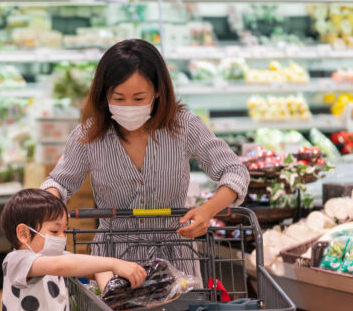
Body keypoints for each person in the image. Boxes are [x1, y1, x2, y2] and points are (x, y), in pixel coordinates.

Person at [40, 38, 250, 288]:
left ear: (158, 92)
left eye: (139, 99)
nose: (128, 106)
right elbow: (59, 181)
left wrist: (208, 211)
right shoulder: (89, 135)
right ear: (104, 94)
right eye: (118, 98)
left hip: (176, 261)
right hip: (113, 262)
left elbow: (234, 170)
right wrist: (48, 205)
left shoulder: (184, 127)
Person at [0, 188, 147, 311]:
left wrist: (111, 293)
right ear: (24, 234)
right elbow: (60, 266)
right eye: (55, 231)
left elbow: (95, 266)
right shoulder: (17, 260)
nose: (62, 238)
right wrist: (115, 263)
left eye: (65, 231)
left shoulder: (59, 256)